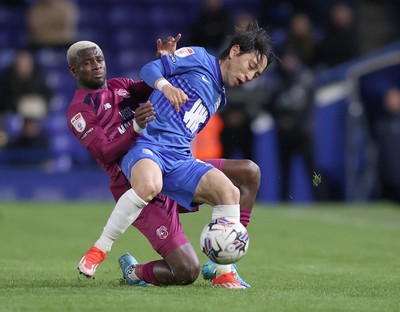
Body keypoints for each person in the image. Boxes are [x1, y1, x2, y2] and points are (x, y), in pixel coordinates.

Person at [67, 36, 261, 288]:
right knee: (186, 271)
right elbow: (105, 153)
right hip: (133, 175)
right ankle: (111, 257)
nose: (96, 65)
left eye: (99, 59)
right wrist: (136, 126)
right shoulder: (79, 111)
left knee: (240, 180)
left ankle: (225, 262)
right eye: (87, 63)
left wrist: (167, 63)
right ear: (73, 70)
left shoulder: (121, 86)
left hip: (173, 158)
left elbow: (156, 83)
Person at [116, 21, 273, 287]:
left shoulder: (220, 96)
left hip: (180, 162)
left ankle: (225, 262)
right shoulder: (199, 57)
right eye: (250, 67)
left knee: (248, 173)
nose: (249, 77)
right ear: (234, 51)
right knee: (187, 271)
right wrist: (166, 80)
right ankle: (136, 271)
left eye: (256, 76)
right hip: (151, 159)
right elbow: (150, 70)